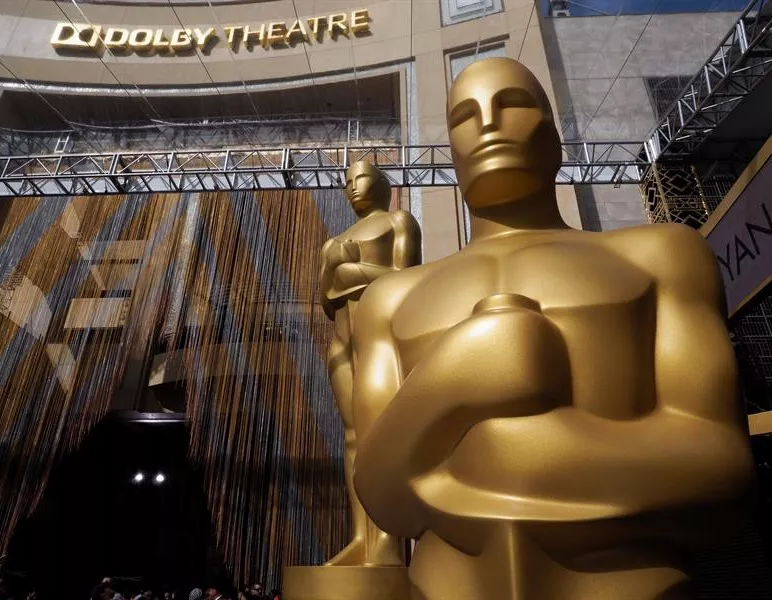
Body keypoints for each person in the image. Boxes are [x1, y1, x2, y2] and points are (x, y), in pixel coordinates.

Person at [351, 57, 754, 599]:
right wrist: (451, 378)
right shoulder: (391, 298)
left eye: (512, 104)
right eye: (465, 116)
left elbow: (721, 465)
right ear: (451, 151)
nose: (488, 123)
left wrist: (505, 450)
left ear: (555, 135)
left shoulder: (660, 257)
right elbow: (381, 493)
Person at [318, 159, 420, 566]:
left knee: (379, 435)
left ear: (380, 183)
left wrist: (347, 266)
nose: (354, 187)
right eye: (347, 182)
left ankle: (387, 543)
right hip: (341, 343)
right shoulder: (335, 239)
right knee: (353, 438)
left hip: (378, 341)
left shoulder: (398, 221)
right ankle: (360, 538)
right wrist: (333, 265)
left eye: (361, 178)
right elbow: (326, 299)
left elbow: (405, 277)